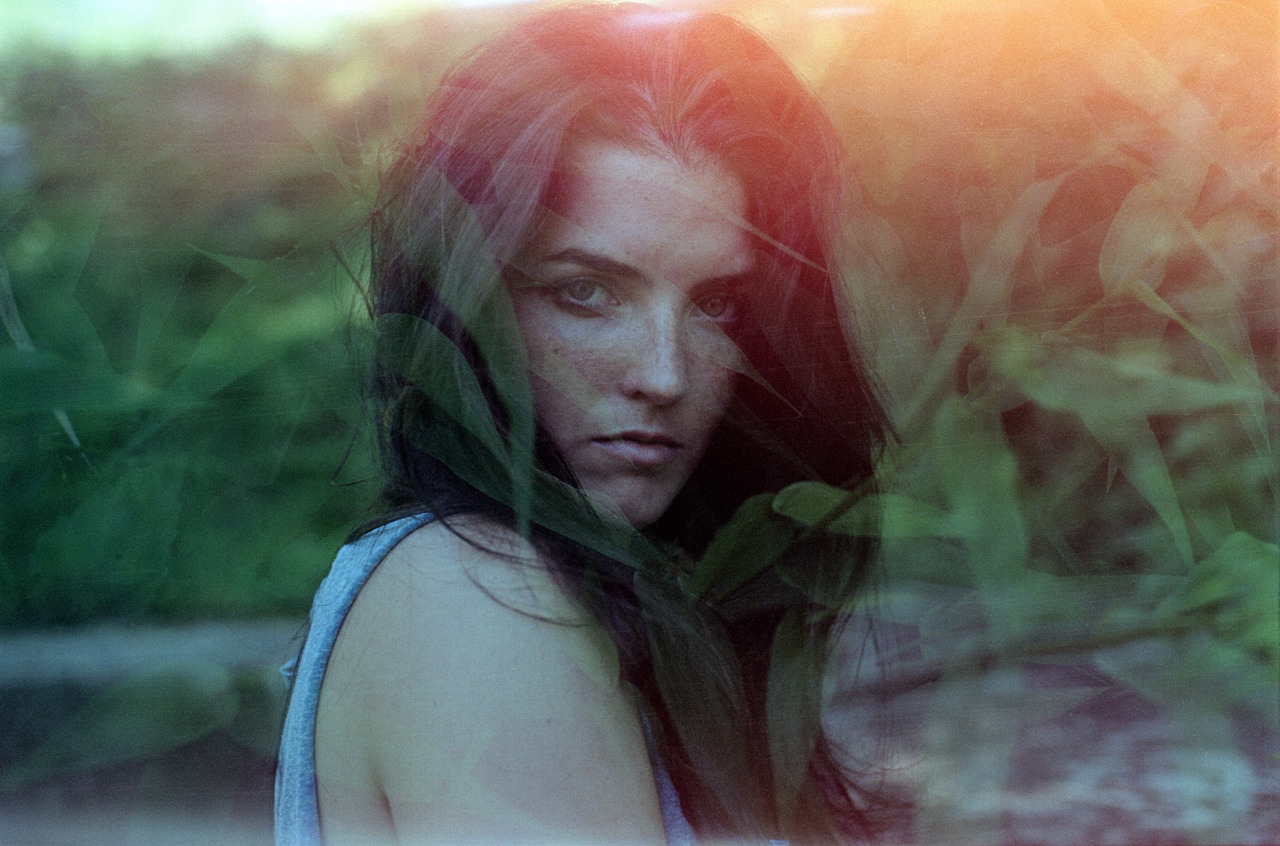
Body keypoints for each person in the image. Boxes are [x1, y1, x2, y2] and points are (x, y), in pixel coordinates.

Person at [276, 3, 889, 844]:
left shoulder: (630, 605)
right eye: (585, 292)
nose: (665, 375)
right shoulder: (476, 594)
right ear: (467, 302)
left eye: (717, 305)